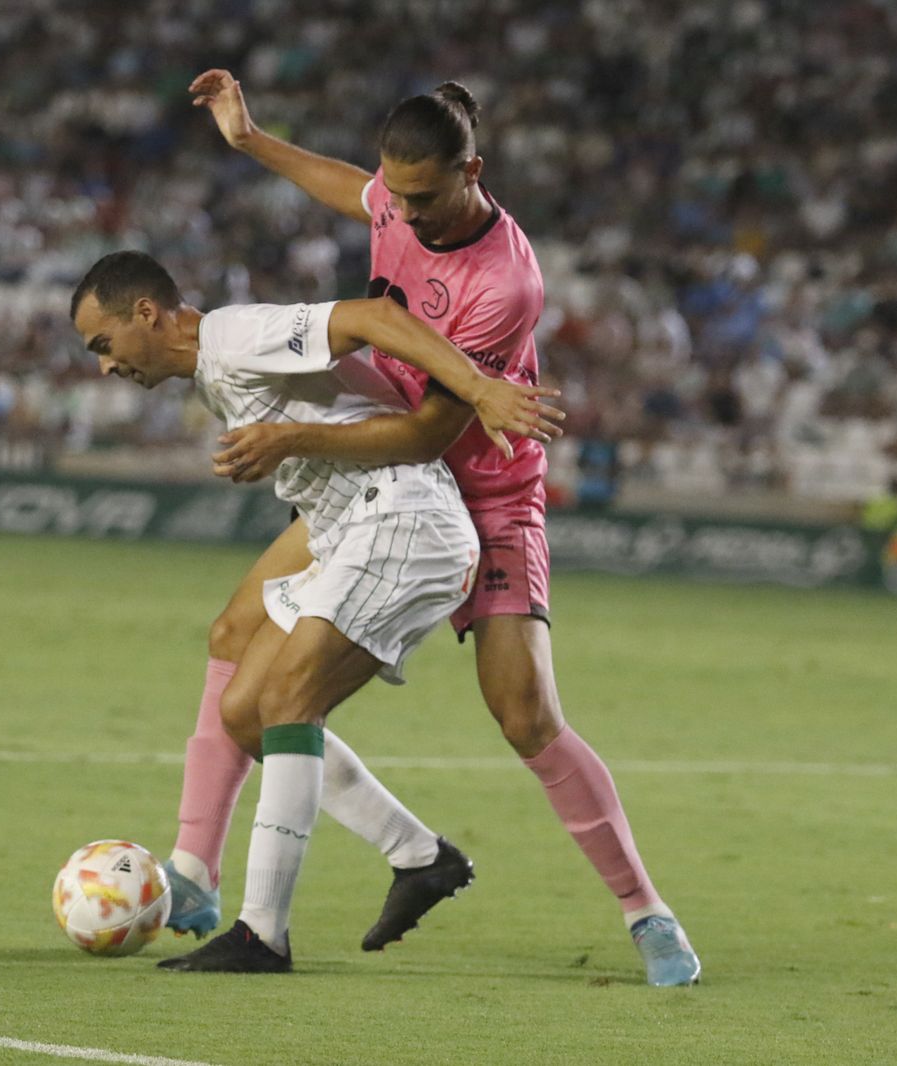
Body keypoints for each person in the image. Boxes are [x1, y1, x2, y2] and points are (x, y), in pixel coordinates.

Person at [177, 71, 702, 984]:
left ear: (474, 172)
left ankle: (647, 913)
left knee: (525, 714)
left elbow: (430, 430)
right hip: (386, 484)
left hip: (478, 493)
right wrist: (253, 139)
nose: (404, 215)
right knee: (235, 639)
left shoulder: (506, 284)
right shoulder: (397, 198)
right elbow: (356, 190)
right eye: (397, 193)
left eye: (423, 197)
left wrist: (289, 436)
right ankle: (199, 874)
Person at [71, 250, 559, 972]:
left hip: (402, 522)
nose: (106, 367)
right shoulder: (215, 369)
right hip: (351, 531)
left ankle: (262, 934)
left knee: (289, 701)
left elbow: (371, 317)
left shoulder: (234, 337)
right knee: (245, 710)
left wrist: (479, 388)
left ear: (146, 314)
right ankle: (420, 857)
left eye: (103, 345)